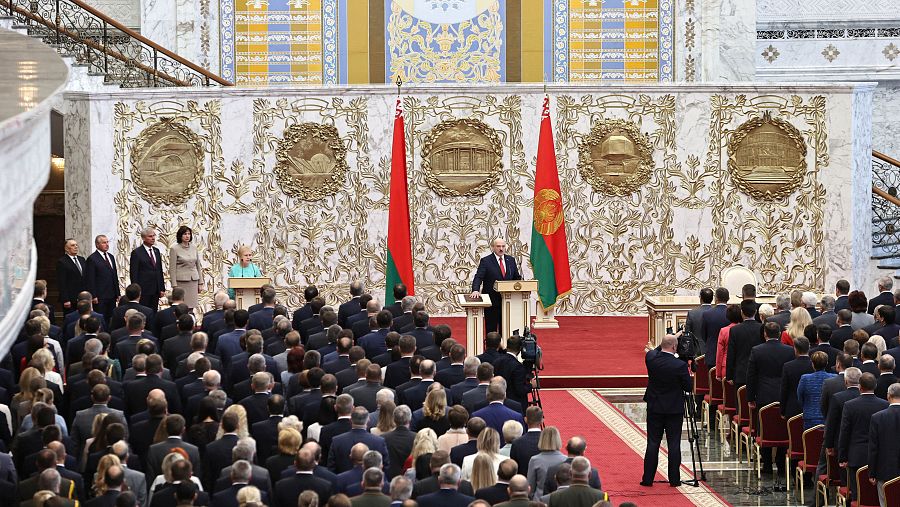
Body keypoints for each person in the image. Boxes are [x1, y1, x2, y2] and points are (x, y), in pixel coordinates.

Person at [641, 335, 692, 487]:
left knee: (652, 443)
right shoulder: (679, 365)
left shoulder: (651, 358)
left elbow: (656, 350)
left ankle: (648, 479)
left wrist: (670, 339)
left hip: (655, 406)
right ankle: (674, 480)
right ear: (675, 347)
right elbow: (688, 387)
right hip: (674, 408)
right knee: (674, 444)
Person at [470, 238, 521, 334]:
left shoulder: (511, 260)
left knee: (506, 329)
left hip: (508, 302)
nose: (501, 249)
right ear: (493, 247)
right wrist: (475, 290)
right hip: (492, 301)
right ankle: (491, 349)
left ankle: (505, 348)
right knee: (491, 330)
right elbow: (479, 277)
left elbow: (516, 278)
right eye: (498, 246)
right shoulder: (486, 261)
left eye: (503, 246)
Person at [867, 383, 900, 507]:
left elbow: (873, 448)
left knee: (885, 502)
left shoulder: (877, 417)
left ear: (888, 396)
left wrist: (872, 472)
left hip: (885, 470)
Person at [84, 234, 120, 326]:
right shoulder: (92, 259)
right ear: (97, 245)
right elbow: (90, 279)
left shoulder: (111, 257)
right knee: (101, 318)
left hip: (111, 294)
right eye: (104, 243)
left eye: (107, 242)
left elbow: (114, 276)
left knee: (110, 318)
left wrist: (117, 293)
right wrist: (93, 295)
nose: (107, 244)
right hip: (100, 296)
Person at [130, 227, 166, 311]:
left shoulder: (156, 251)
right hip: (143, 290)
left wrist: (161, 288)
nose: (153, 238)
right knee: (143, 312)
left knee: (153, 312)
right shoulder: (137, 252)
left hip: (155, 289)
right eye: (150, 236)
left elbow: (159, 270)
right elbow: (134, 273)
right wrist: (136, 291)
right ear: (143, 238)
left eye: (154, 236)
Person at [168, 225, 203, 310]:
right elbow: (172, 269)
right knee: (182, 306)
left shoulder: (194, 247)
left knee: (192, 306)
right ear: (180, 235)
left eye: (189, 234)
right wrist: (174, 285)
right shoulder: (174, 249)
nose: (187, 236)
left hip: (193, 281)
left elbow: (198, 265)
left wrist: (200, 282)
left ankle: (191, 320)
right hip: (181, 282)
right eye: (185, 234)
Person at [57, 238, 87, 315]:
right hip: (70, 299)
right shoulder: (62, 262)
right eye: (73, 245)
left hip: (83, 298)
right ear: (66, 248)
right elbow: (62, 282)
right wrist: (65, 299)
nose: (76, 247)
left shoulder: (82, 259)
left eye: (76, 245)